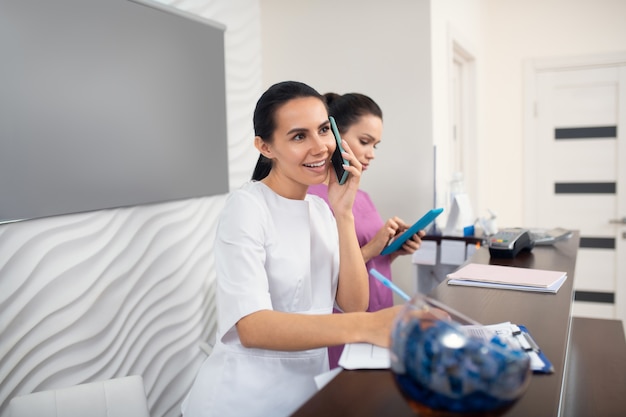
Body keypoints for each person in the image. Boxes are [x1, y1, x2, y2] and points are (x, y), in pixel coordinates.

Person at [181, 81, 402, 417]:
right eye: (299, 136)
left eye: (324, 130)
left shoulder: (322, 211)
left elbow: (353, 302)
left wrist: (343, 213)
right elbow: (253, 327)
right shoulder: (247, 207)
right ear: (265, 147)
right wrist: (365, 327)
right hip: (243, 402)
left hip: (305, 395)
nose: (320, 147)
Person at [308, 92, 424, 368]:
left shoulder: (362, 195)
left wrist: (394, 249)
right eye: (365, 141)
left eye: (376, 145)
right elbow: (320, 277)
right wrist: (374, 246)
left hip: (379, 312)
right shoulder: (312, 200)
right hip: (344, 324)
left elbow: (372, 261)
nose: (371, 153)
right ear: (335, 135)